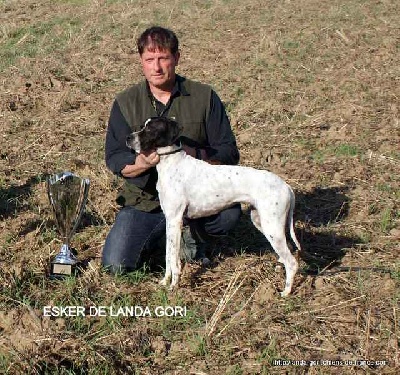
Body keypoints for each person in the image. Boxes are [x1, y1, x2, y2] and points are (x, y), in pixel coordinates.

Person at [102, 26, 241, 274]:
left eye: (163, 58)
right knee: (116, 264)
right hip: (146, 201)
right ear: (141, 62)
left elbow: (228, 150)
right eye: (149, 60)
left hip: (197, 193)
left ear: (176, 57)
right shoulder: (125, 102)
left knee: (228, 215)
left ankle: (193, 234)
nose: (156, 67)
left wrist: (192, 156)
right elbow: (114, 157)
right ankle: (165, 238)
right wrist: (142, 163)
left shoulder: (204, 97)